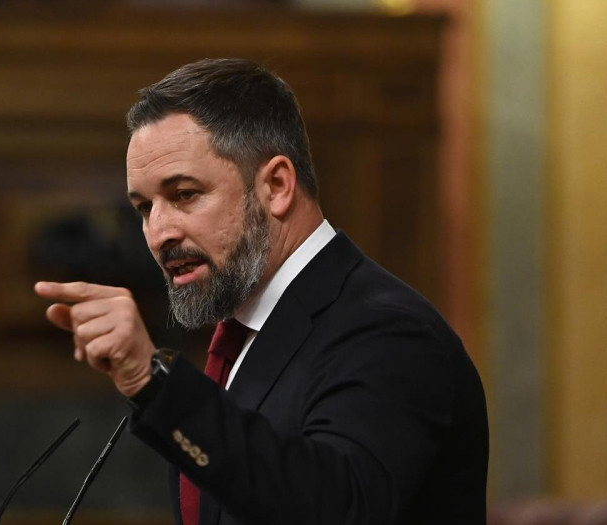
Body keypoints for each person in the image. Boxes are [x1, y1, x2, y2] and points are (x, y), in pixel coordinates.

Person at [34, 58, 487, 525]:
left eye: (185, 194)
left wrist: (154, 385)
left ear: (276, 185)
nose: (159, 233)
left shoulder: (388, 332)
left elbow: (336, 511)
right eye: (144, 207)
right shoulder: (245, 335)